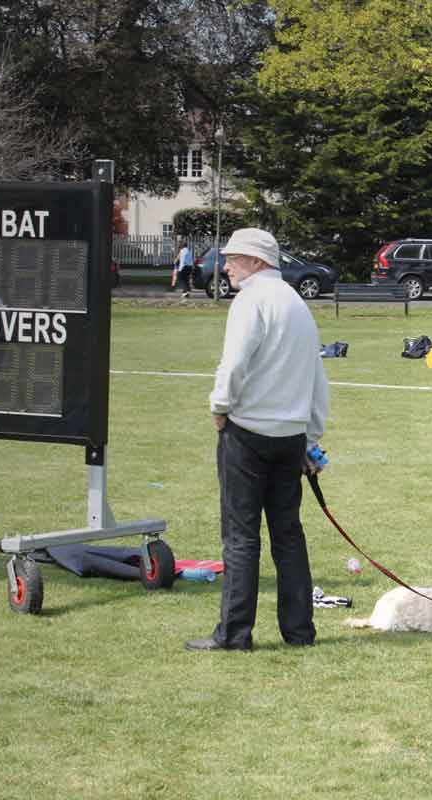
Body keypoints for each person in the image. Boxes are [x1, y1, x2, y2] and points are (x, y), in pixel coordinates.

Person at [185, 227, 330, 653]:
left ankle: (233, 635)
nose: (224, 265)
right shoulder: (298, 304)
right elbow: (317, 379)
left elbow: (233, 363)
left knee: (241, 537)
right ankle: (299, 632)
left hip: (247, 435)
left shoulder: (251, 300)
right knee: (288, 535)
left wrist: (219, 406)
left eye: (232, 258)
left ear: (257, 262)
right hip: (290, 438)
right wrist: (311, 437)